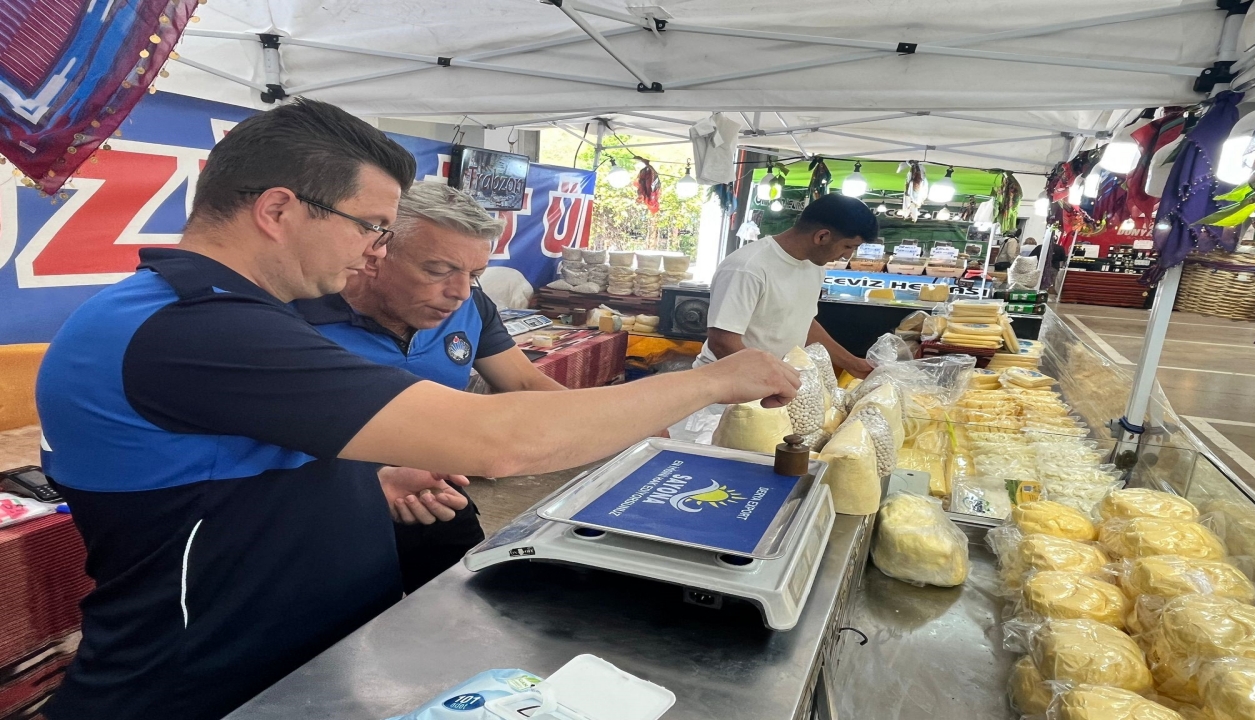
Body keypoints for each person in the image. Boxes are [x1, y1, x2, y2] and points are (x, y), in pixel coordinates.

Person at [34, 98, 799, 720]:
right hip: (205, 688)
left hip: (297, 663)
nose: (374, 250)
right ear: (278, 209)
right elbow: (498, 441)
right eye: (369, 226)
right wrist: (710, 381)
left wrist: (360, 478)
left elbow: (224, 468)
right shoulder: (194, 327)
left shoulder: (222, 314)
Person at [295, 182, 565, 592]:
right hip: (326, 510)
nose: (459, 292)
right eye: (438, 271)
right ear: (375, 254)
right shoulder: (292, 318)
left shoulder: (471, 307)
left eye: (474, 275)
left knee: (478, 602)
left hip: (437, 494)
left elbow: (525, 383)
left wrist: (630, 424)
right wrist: (371, 484)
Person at [695, 193, 878, 376]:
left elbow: (803, 322)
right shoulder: (747, 267)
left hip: (773, 383)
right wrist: (772, 378)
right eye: (848, 246)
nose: (847, 256)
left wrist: (853, 364)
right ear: (822, 236)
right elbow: (722, 342)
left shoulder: (814, 267)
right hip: (725, 384)